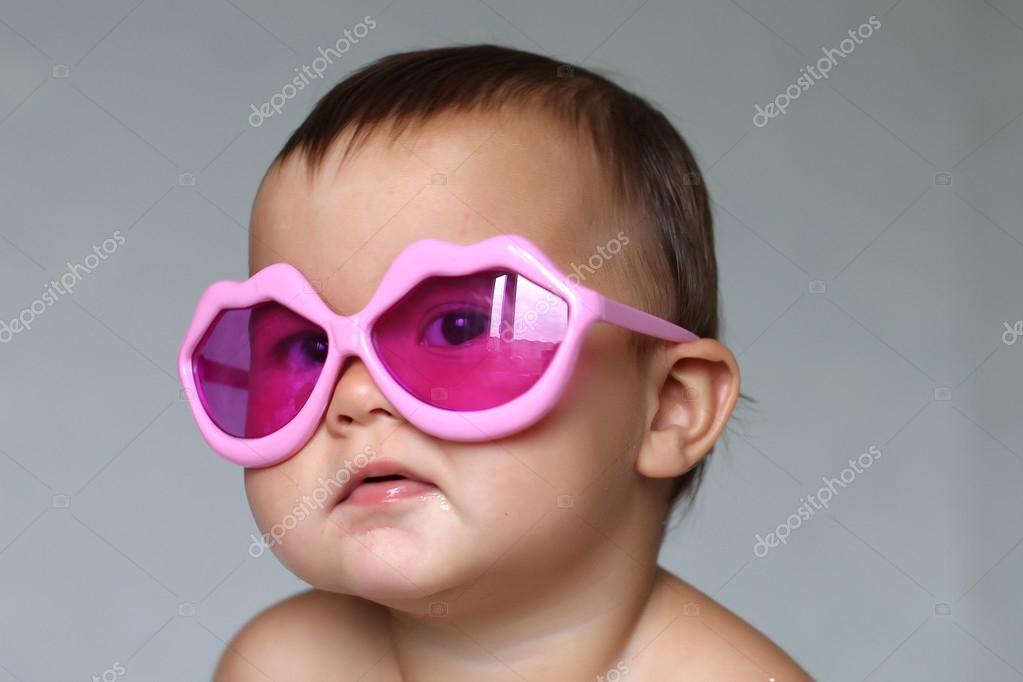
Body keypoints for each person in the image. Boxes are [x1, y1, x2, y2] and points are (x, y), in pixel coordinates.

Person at [190, 44, 810, 681]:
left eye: (458, 327)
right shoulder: (285, 665)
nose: (353, 397)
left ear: (670, 409)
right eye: (304, 347)